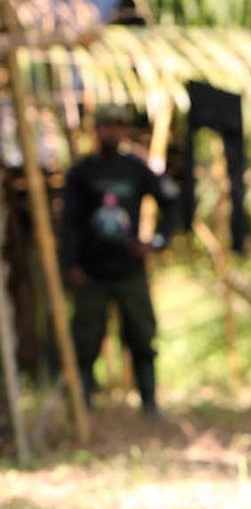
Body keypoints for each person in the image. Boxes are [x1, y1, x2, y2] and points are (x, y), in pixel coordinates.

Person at [58, 104, 178, 416]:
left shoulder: (136, 169)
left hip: (129, 270)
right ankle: (84, 403)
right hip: (91, 272)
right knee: (85, 340)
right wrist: (71, 265)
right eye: (107, 126)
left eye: (118, 126)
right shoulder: (81, 173)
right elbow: (68, 224)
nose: (113, 131)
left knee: (141, 336)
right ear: (96, 130)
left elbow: (172, 204)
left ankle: (149, 404)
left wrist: (156, 241)